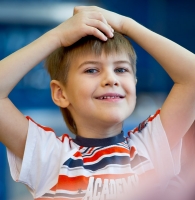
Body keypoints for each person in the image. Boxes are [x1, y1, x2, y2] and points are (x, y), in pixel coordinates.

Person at [0, 5, 195, 200]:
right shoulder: (49, 157)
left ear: (134, 85)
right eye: (92, 70)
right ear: (60, 93)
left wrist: (125, 24)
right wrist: (57, 36)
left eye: (121, 69)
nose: (111, 79)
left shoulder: (151, 146)